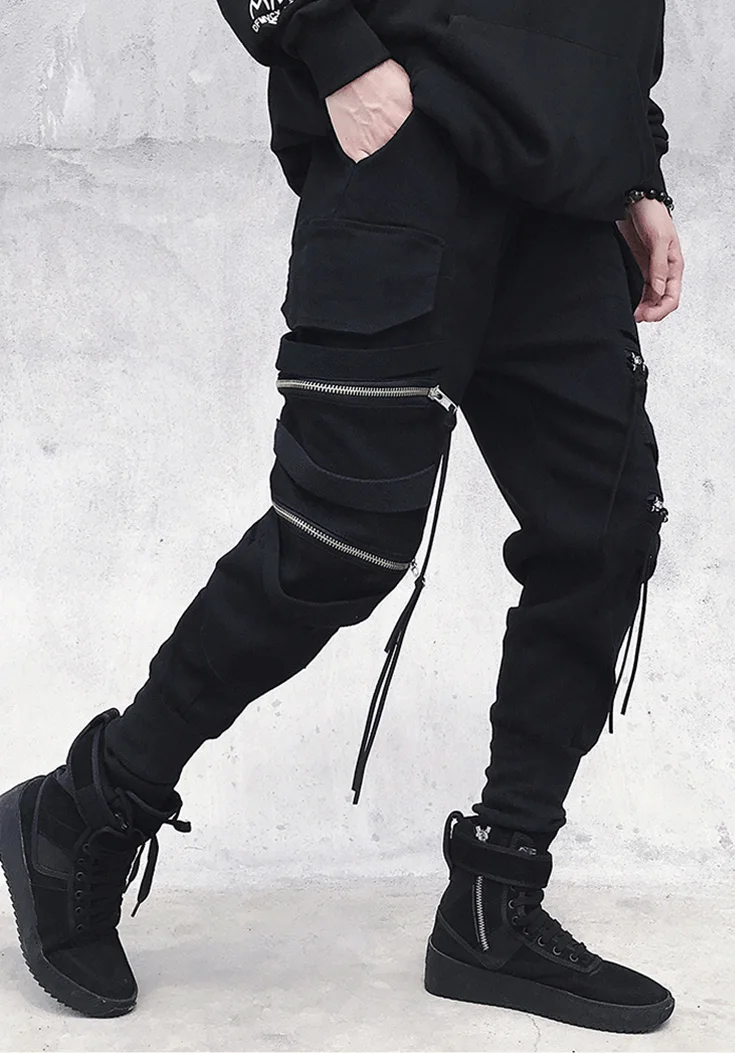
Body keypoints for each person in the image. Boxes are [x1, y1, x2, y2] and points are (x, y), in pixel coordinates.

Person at [0, 0, 684, 1035]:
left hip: (569, 191)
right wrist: (332, 45)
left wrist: (638, 170)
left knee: (606, 534)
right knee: (340, 542)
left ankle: (495, 903)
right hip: (412, 154)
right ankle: (86, 808)